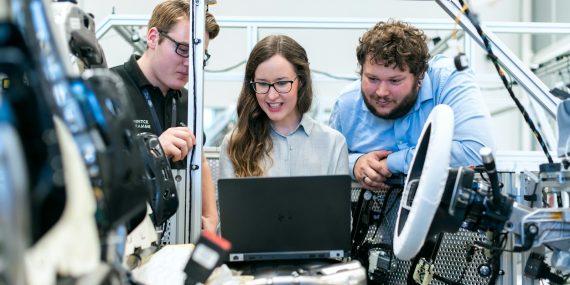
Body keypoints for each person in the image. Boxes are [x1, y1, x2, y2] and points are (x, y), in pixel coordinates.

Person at [330, 19, 495, 190]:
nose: (381, 92)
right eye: (372, 79)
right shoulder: (346, 104)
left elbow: (475, 151)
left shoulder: (448, 80)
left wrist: (391, 163)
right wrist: (355, 164)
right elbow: (329, 161)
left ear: (420, 76)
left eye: (395, 81)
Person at [111, 0, 219, 233]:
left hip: (178, 236)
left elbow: (199, 158)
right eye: (182, 49)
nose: (190, 64)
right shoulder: (109, 90)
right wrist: (153, 151)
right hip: (126, 234)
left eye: (199, 55)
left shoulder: (188, 101)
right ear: (152, 38)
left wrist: (210, 216)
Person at [219, 35, 348, 178]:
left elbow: (336, 201)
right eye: (262, 84)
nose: (272, 95)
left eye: (281, 83)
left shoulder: (334, 144)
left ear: (301, 82)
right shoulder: (234, 144)